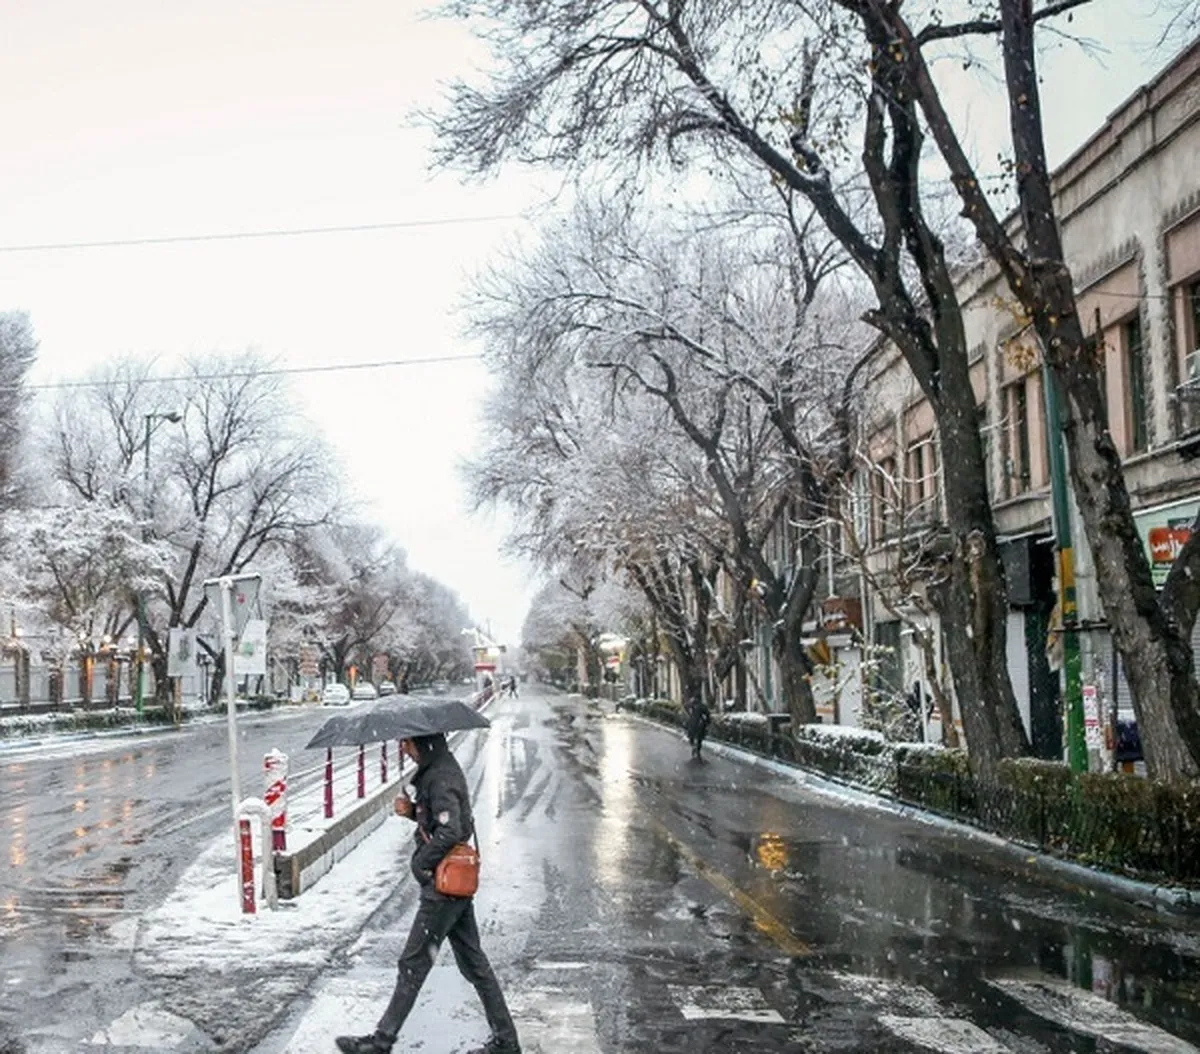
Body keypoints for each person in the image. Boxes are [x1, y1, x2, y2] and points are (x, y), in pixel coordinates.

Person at [335, 733, 521, 1054]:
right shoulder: (438, 769)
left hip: (443, 888)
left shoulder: (441, 775)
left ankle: (381, 1043)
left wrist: (421, 863)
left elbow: (452, 828)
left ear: (423, 741)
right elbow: (445, 820)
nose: (403, 748)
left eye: (407, 742)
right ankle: (506, 1040)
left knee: (413, 962)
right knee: (474, 963)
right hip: (451, 885)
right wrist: (412, 812)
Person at [684, 694, 710, 760]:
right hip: (700, 724)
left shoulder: (691, 705)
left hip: (692, 723)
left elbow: (685, 706)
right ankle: (697, 749)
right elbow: (707, 714)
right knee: (699, 738)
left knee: (691, 736)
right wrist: (707, 722)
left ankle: (693, 746)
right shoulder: (702, 706)